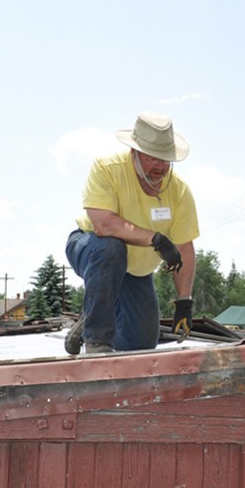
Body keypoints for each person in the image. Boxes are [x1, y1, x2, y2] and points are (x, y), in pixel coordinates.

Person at [65, 112, 199, 354]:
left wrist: (184, 302)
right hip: (91, 249)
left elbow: (184, 249)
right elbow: (104, 225)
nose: (161, 166)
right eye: (153, 158)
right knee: (111, 248)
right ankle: (96, 340)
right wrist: (155, 239)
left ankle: (90, 319)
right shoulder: (107, 169)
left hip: (135, 270)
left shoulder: (179, 191)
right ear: (134, 152)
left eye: (166, 159)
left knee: (143, 342)